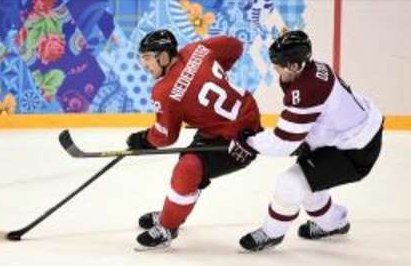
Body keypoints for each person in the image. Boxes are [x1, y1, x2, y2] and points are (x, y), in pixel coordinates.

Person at [228, 30, 383, 251]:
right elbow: (322, 121)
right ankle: (334, 223)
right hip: (352, 137)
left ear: (294, 66)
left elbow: (284, 142)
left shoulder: (308, 89)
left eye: (279, 65)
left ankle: (271, 233)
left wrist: (249, 143)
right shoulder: (312, 70)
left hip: (355, 151)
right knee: (309, 184)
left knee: (291, 183)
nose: (276, 70)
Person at [127, 29, 262, 249]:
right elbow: (234, 46)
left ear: (163, 56)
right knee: (191, 168)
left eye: (149, 59)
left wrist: (144, 139)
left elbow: (165, 137)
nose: (145, 66)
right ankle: (173, 212)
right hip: (242, 118)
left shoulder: (164, 91)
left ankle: (167, 226)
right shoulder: (195, 50)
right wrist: (213, 74)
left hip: (237, 140)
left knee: (188, 169)